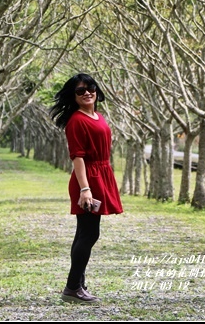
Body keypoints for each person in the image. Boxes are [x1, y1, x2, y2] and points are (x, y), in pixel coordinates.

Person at [50, 73, 123, 304]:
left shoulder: (97, 116)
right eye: (80, 91)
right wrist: (85, 189)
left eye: (90, 88)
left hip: (100, 175)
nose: (87, 93)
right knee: (90, 233)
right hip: (89, 178)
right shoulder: (77, 121)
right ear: (74, 96)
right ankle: (72, 287)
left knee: (84, 233)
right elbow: (77, 157)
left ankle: (77, 284)